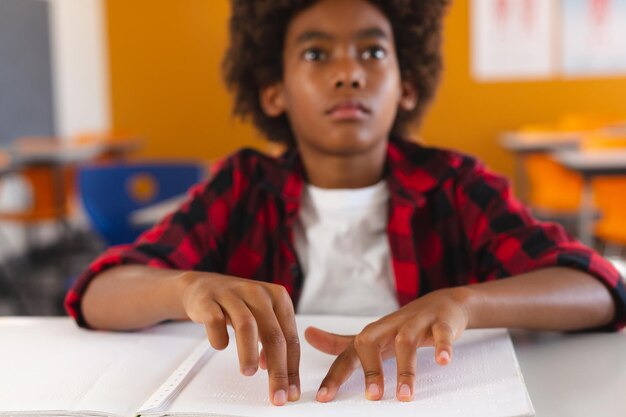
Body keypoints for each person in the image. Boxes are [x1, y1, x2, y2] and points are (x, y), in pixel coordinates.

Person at [66, 0, 626, 407]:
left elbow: (600, 288)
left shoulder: (455, 184)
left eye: (373, 51)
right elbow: (97, 294)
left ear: (405, 84)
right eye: (316, 53)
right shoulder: (241, 186)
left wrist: (466, 304)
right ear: (274, 92)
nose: (349, 73)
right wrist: (184, 287)